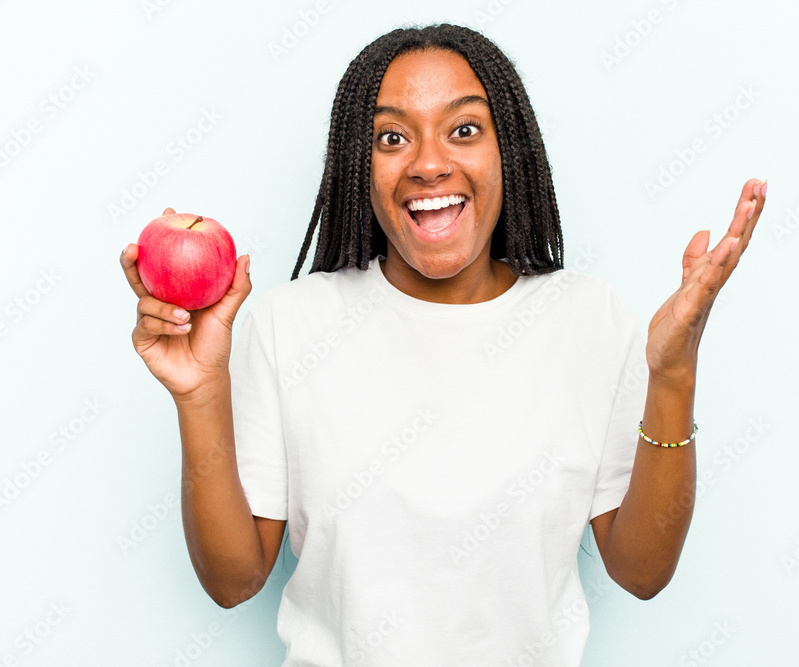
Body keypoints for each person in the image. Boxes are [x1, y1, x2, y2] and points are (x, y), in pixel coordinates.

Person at [120, 23, 766, 666]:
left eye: (464, 129)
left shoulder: (588, 317)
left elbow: (642, 569)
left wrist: (674, 374)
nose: (429, 163)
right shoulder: (292, 324)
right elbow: (233, 582)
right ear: (358, 166)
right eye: (392, 137)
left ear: (508, 151)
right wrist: (201, 393)